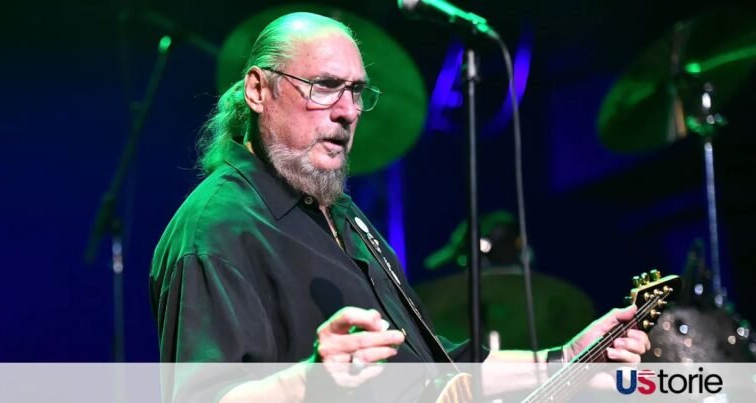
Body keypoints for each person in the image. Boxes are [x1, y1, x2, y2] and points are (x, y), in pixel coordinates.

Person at [150, 11, 649, 401]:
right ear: (260, 90)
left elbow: (440, 377)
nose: (346, 110)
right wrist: (310, 382)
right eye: (324, 86)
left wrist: (565, 358)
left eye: (355, 92)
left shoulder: (341, 215)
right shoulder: (217, 230)